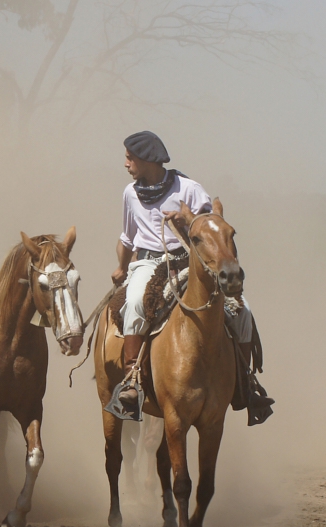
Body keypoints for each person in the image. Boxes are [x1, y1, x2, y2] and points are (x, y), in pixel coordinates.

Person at [110, 131, 272, 421]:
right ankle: (131, 378)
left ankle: (245, 382)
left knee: (242, 310)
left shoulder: (189, 188)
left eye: (129, 158)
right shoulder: (129, 193)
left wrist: (185, 222)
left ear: (146, 159)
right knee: (134, 301)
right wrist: (122, 268)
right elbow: (127, 237)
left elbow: (211, 229)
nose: (126, 164)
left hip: (188, 260)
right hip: (148, 261)